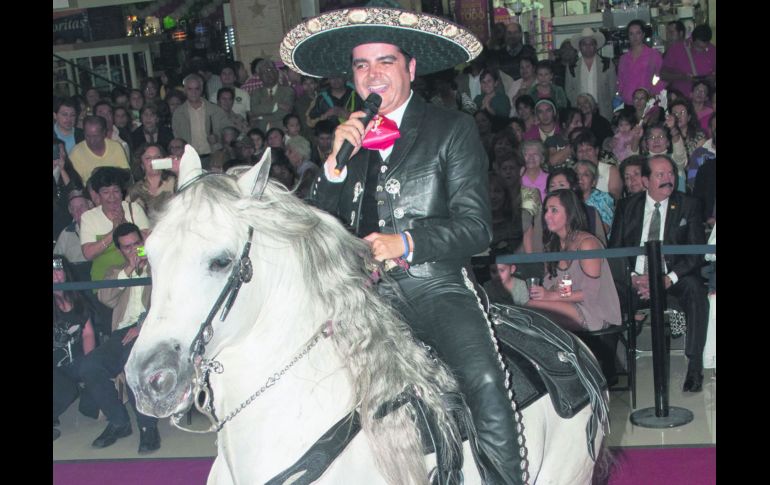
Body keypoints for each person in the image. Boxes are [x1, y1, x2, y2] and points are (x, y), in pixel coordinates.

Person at [288, 4, 526, 482]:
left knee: (484, 382)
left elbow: (477, 227)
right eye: (361, 64)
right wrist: (333, 165)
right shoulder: (348, 141)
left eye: (385, 61)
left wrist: (406, 242)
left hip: (434, 286)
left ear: (411, 68)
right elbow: (317, 228)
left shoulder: (451, 128)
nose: (372, 74)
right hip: (361, 295)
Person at [609, 155, 708, 392]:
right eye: (660, 175)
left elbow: (695, 254)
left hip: (672, 278)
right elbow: (615, 251)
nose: (668, 179)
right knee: (606, 292)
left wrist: (666, 278)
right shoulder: (627, 207)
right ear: (645, 181)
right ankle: (608, 369)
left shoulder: (688, 205)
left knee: (695, 290)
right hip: (635, 279)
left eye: (671, 174)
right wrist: (633, 277)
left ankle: (694, 367)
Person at [80, 222, 161, 453]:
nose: (133, 250)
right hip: (120, 334)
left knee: (131, 363)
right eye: (127, 247)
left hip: (150, 332)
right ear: (120, 250)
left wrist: (142, 326)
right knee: (90, 366)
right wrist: (128, 270)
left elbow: (169, 305)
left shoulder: (160, 269)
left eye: (137, 244)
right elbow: (106, 298)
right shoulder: (115, 272)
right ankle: (118, 421)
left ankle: (148, 427)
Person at [526, 189, 621, 332]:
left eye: (554, 210)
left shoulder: (587, 244)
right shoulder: (553, 244)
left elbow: (590, 294)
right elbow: (550, 284)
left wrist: (551, 295)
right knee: (527, 308)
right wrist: (548, 292)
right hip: (569, 303)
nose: (547, 216)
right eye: (546, 210)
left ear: (569, 213)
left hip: (595, 310)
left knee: (531, 309)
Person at [53, 255, 97, 441]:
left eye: (59, 269)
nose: (56, 275)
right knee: (66, 390)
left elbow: (88, 334)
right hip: (56, 363)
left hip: (76, 359)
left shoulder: (78, 299)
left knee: (93, 408)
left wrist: (90, 365)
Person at [80, 167, 150, 282]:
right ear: (98, 195)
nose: (112, 197)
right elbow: (88, 254)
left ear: (122, 192)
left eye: (116, 191)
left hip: (137, 275)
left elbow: (148, 246)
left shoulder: (134, 209)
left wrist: (124, 223)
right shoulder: (89, 217)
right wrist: (114, 233)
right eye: (106, 192)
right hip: (104, 282)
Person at [172, 73, 231, 166]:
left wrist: (218, 138)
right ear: (185, 90)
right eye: (190, 89)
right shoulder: (178, 114)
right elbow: (176, 138)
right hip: (189, 159)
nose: (193, 92)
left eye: (197, 89)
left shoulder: (215, 110)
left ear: (202, 89)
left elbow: (228, 134)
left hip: (213, 157)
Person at [566, 28, 616, 120]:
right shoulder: (571, 66)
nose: (588, 47)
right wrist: (580, 105)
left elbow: (612, 90)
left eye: (591, 44)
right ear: (579, 47)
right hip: (580, 112)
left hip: (603, 111)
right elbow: (569, 91)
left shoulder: (607, 64)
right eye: (584, 44)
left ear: (596, 46)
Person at [661, 24, 716, 99]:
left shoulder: (713, 50)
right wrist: (682, 77)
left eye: (704, 48)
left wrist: (712, 78)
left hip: (705, 101)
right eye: (698, 47)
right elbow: (662, 75)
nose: (700, 50)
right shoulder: (676, 50)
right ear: (691, 39)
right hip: (682, 100)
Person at [617, 20, 665, 107]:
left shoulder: (654, 55)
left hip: (648, 102)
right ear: (628, 36)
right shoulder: (623, 59)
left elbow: (661, 78)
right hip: (628, 103)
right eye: (631, 34)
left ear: (643, 34)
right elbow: (621, 82)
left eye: (638, 33)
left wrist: (654, 94)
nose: (635, 37)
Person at [69, 115, 130, 183]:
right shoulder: (76, 152)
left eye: (95, 136)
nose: (92, 141)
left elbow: (126, 173)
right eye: (88, 136)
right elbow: (74, 182)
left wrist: (103, 171)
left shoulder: (115, 147)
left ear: (104, 133)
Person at [125, 143, 177, 219]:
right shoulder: (134, 190)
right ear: (142, 164)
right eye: (148, 158)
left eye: (157, 157)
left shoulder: (174, 182)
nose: (154, 160)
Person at [54, 190, 94, 276]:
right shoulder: (66, 234)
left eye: (81, 206)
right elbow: (56, 259)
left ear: (90, 205)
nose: (78, 211)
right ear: (70, 211)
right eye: (74, 208)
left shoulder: (100, 228)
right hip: (75, 281)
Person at [249, 60, 295, 132]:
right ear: (260, 76)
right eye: (264, 72)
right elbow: (254, 110)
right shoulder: (256, 93)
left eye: (270, 70)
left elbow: (284, 113)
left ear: (276, 72)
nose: (268, 74)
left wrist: (261, 117)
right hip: (261, 133)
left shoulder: (288, 91)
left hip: (282, 132)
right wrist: (277, 106)